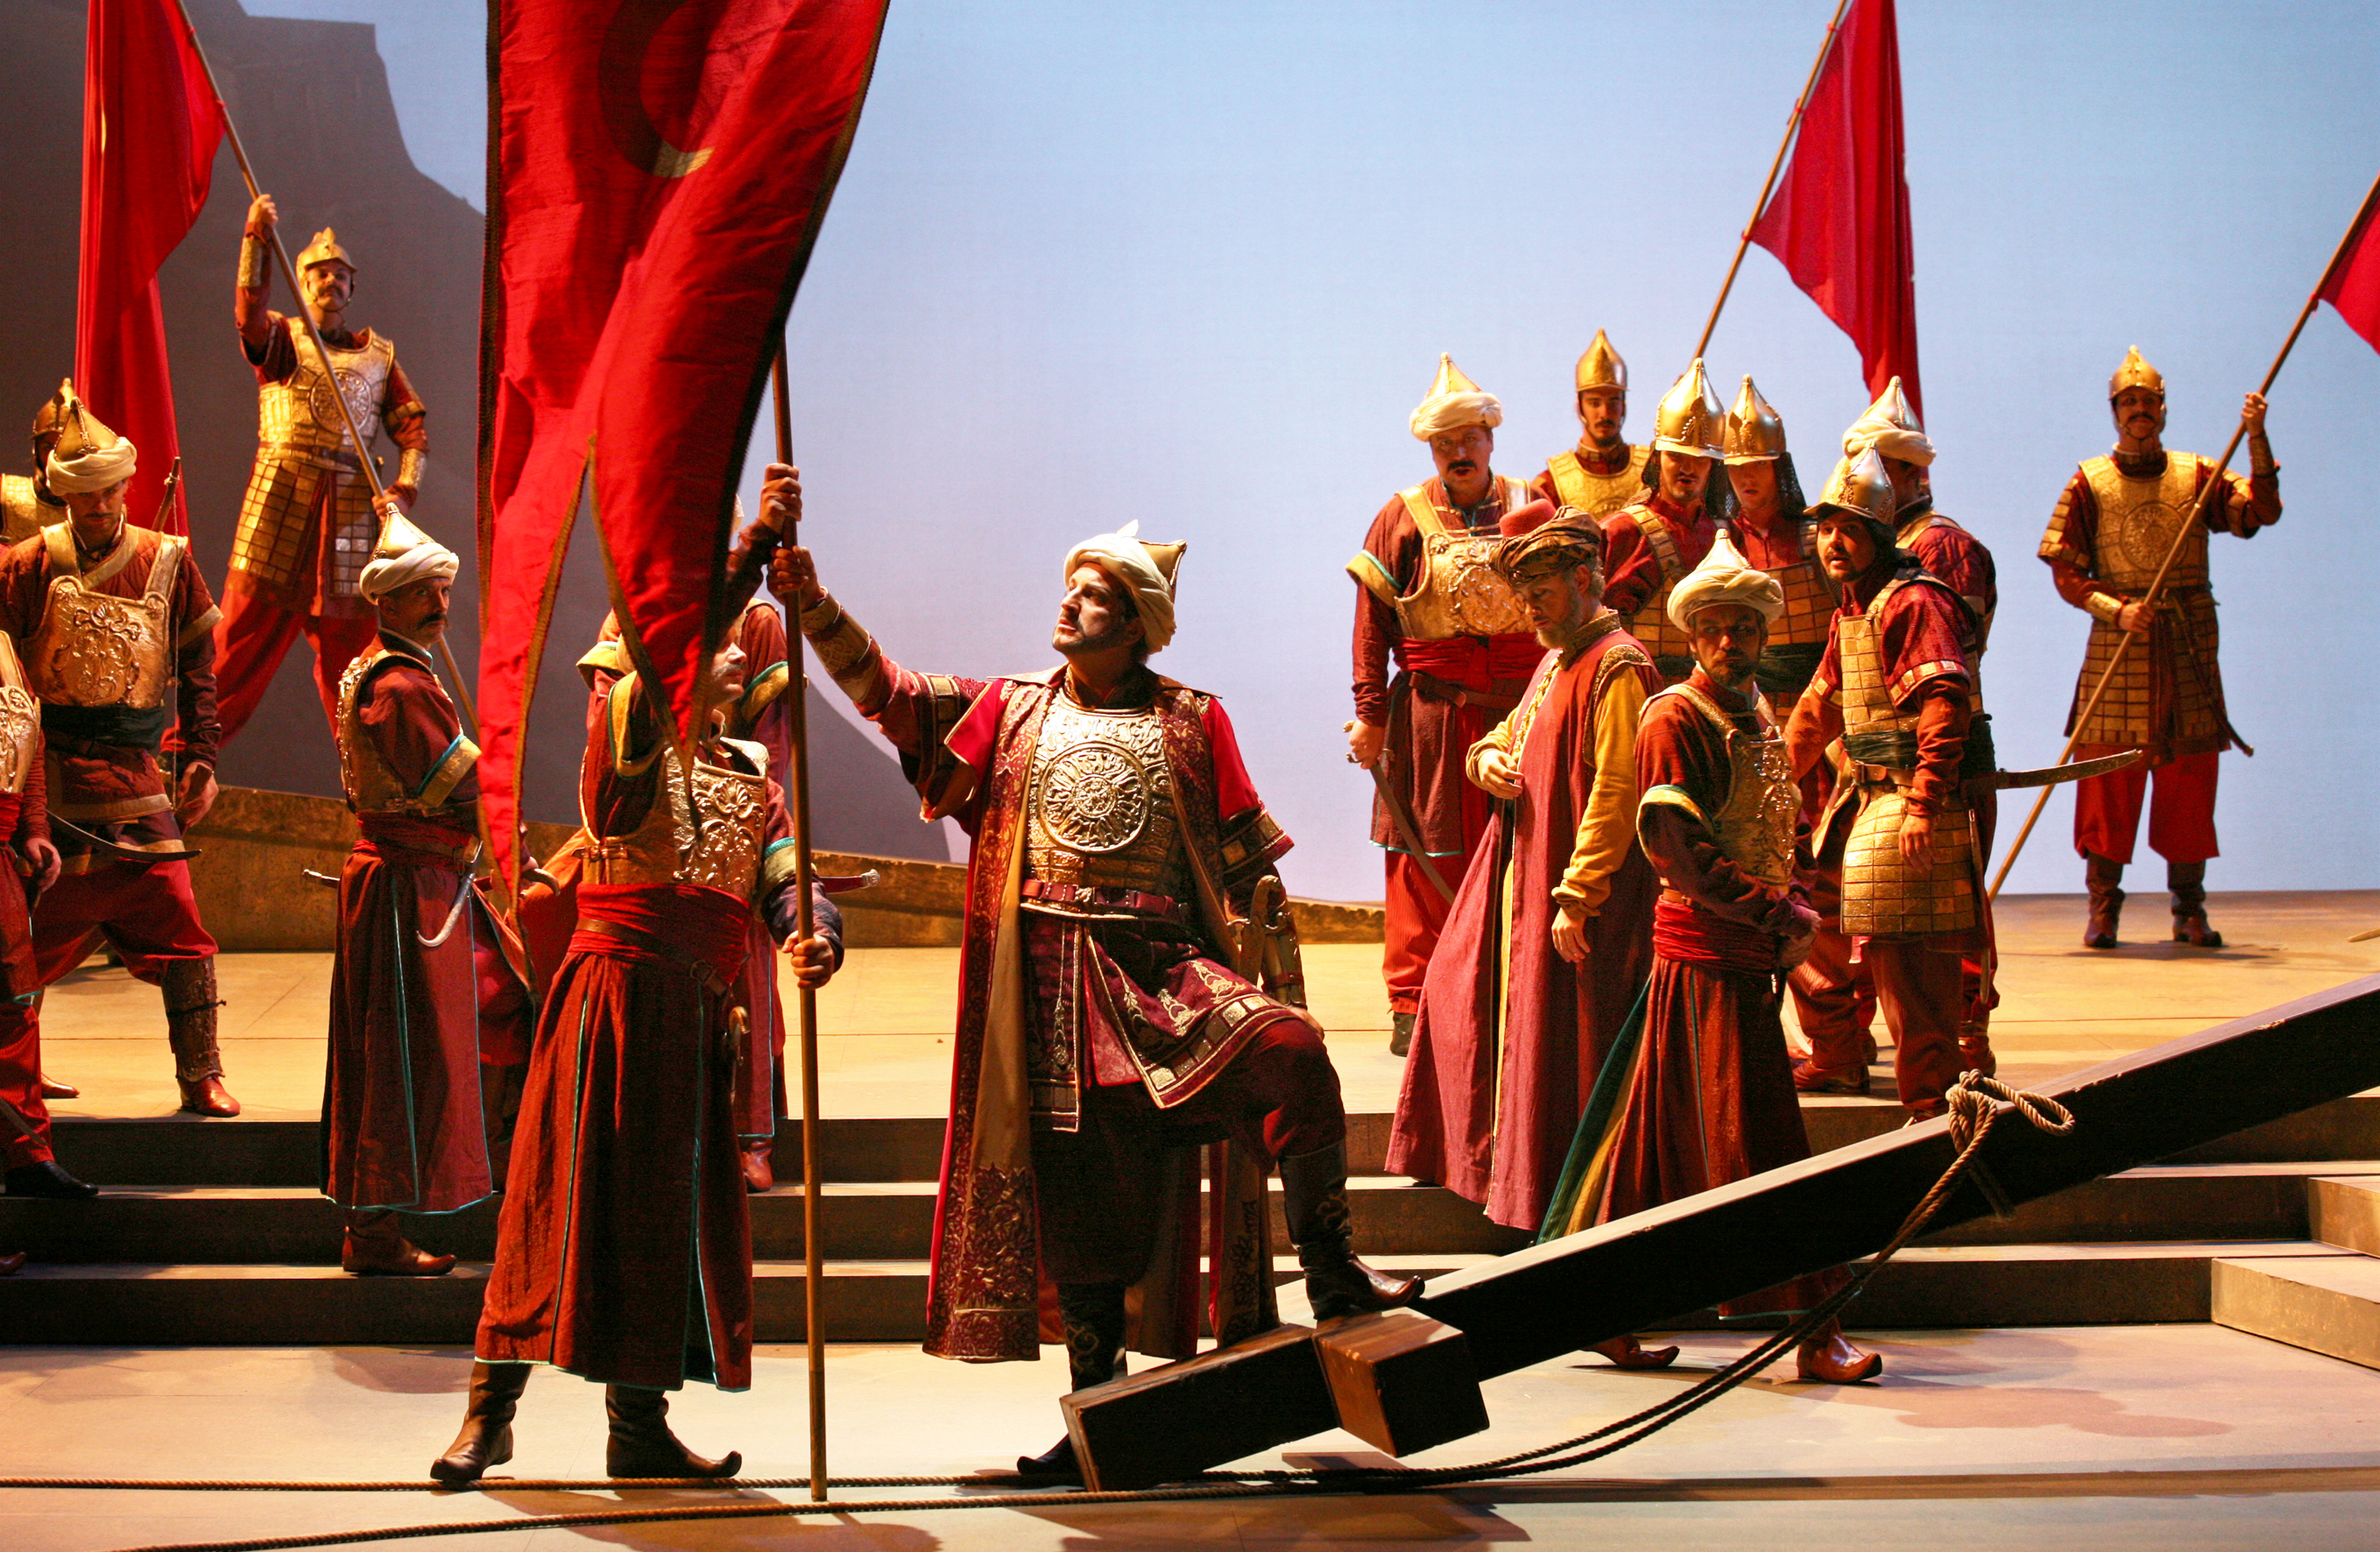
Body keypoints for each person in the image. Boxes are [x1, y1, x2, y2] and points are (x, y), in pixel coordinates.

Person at [773, 467, 1421, 1478]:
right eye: (1069, 587)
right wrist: (811, 601)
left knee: (1292, 1053)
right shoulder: (1010, 709)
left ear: (1136, 624)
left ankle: (1332, 1271)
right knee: (1085, 1208)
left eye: (1092, 595)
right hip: (1051, 993)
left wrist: (1275, 969)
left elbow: (1246, 866)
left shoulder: (1191, 719)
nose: (1067, 604)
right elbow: (886, 694)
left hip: (1165, 976)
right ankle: (1098, 1416)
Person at [435, 624, 843, 1485]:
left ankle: (638, 1428)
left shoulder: (753, 776)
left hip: (692, 1023)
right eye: (715, 642)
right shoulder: (624, 751)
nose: (738, 653)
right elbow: (648, 697)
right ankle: (488, 1415)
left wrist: (812, 931)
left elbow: (786, 874)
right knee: (553, 1203)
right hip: (608, 1007)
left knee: (662, 1222)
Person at [1543, 534, 1881, 1383]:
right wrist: (1776, 910)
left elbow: (1770, 828)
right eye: (1716, 628)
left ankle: (1597, 1306)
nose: (1731, 641)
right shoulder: (1674, 717)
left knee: (1648, 1145)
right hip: (1705, 962)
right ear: (1692, 635)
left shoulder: (1754, 712)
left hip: (1736, 961)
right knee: (1761, 1145)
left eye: (1745, 627)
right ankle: (1812, 1328)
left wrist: (1787, 903)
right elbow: (1676, 848)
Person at [1388, 500, 1658, 1238]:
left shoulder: (1617, 664)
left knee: (1568, 1047)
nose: (1528, 610)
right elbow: (1508, 731)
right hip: (1527, 877)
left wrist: (1580, 893)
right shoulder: (1556, 657)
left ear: (1583, 580)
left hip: (1575, 893)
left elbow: (1617, 787)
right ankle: (1499, 1174)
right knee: (1459, 995)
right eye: (1525, 595)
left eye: (1539, 594)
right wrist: (1484, 759)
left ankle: (1563, 1199)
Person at [0, 392, 236, 1118]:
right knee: (25, 934)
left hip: (135, 779)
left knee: (181, 923)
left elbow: (197, 663)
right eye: (84, 492)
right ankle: (22, 1068)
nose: (99, 504)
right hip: (51, 780)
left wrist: (200, 754)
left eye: (109, 490)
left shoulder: (167, 560)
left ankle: (200, 1072)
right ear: (62, 492)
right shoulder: (28, 565)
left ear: (127, 485)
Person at [322, 514, 532, 1276]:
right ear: (386, 601)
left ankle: (498, 1176)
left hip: (426, 884)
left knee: (492, 1015)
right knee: (398, 1056)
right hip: (409, 894)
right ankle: (376, 1230)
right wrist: (502, 786)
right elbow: (457, 785)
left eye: (442, 590)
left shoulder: (393, 670)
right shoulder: (400, 686)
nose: (439, 604)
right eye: (422, 593)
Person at [2039, 348, 2278, 949]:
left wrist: (2255, 437)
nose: (2138, 410)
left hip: (2186, 644)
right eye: (2128, 402)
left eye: (2147, 401)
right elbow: (2066, 571)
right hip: (2119, 644)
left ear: (2163, 409)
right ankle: (2103, 909)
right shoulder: (2088, 482)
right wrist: (2117, 609)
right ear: (2114, 411)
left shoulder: (2198, 476)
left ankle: (2188, 909)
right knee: (2106, 779)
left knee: (2188, 779)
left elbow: (2260, 512)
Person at [1785, 452, 1989, 1119]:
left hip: (1909, 801)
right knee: (1808, 913)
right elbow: (1816, 711)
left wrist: (1924, 803)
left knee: (1910, 965)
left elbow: (1943, 704)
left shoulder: (1913, 602)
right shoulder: (1853, 611)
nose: (1832, 543)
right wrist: (1770, 786)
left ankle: (1935, 1112)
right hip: (1864, 798)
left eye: (1848, 529)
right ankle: (1838, 1052)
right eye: (1825, 529)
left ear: (1878, 533)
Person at [1348, 356, 1539, 1055]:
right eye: (1443, 443)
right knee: (1420, 856)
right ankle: (1416, 1000)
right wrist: (1370, 715)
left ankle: (1516, 990)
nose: (1458, 452)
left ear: (1490, 437)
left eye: (1468, 438)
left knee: (1528, 850)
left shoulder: (1532, 505)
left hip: (1521, 712)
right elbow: (1371, 625)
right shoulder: (1401, 517)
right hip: (1431, 717)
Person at [214, 196, 429, 741]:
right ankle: (185, 757)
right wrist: (256, 241)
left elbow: (412, 433)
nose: (331, 281)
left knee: (353, 666)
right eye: (320, 273)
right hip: (280, 500)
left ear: (352, 288)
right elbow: (248, 316)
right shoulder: (284, 341)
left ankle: (369, 777)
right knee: (236, 647)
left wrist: (404, 492)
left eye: (340, 275)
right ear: (303, 282)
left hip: (349, 516)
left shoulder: (379, 358)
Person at [1840, 377, 2001, 1076]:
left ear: (1912, 473)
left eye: (1881, 464)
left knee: (1946, 922)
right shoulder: (1869, 547)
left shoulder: (1940, 549)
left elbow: (1944, 675)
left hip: (1939, 765)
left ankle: (1963, 1054)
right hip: (1880, 766)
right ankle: (1860, 1044)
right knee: (1877, 921)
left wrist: (1926, 785)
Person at [0, 625, 76, 1197]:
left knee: (14, 1008)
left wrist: (33, 829)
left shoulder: (4, 649)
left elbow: (30, 738)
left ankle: (27, 1156)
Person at [1600, 360, 1732, 684]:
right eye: (1676, 456)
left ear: (1713, 466)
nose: (1687, 468)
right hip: (1633, 688)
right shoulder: (1620, 531)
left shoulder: (1728, 536)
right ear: (1657, 458)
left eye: (1699, 459)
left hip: (1711, 689)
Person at [1532, 330, 1649, 518]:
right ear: (1580, 406)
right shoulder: (1550, 484)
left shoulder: (1652, 471)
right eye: (1594, 403)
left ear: (1623, 406)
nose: (1604, 413)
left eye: (1613, 402)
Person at [2, 383, 71, 547]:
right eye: (47, 447)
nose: (54, 457)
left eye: (64, 447)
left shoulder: (98, 507)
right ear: (36, 449)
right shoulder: (5, 496)